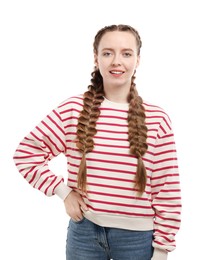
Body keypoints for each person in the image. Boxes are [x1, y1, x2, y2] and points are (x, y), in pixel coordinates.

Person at [13, 24, 181, 260]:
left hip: (138, 240)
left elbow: (167, 189)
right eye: (107, 52)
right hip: (84, 232)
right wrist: (63, 192)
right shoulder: (73, 109)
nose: (116, 61)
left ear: (138, 60)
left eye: (126, 53)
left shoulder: (157, 119)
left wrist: (162, 249)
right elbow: (25, 154)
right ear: (96, 58)